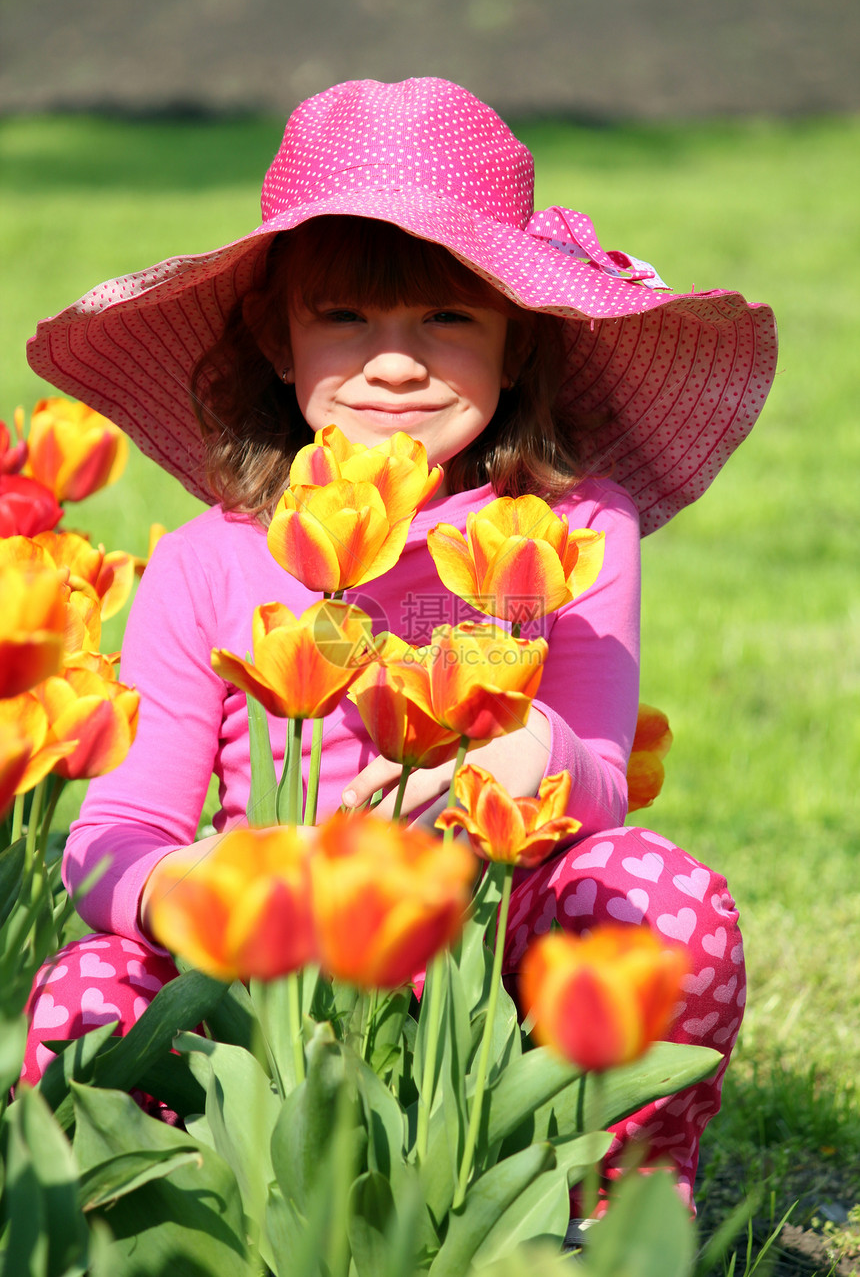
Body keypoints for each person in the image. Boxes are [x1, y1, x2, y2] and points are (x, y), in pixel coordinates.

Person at [22, 77, 777, 1209]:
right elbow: (118, 833)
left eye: (446, 318)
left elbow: (602, 778)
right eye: (344, 318)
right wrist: (210, 887)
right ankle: (162, 1213)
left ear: (517, 347)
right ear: (276, 341)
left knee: (652, 894)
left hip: (487, 959)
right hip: (264, 975)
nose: (393, 362)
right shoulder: (207, 562)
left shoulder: (567, 530)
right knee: (88, 987)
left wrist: (531, 746)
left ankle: (609, 1210)